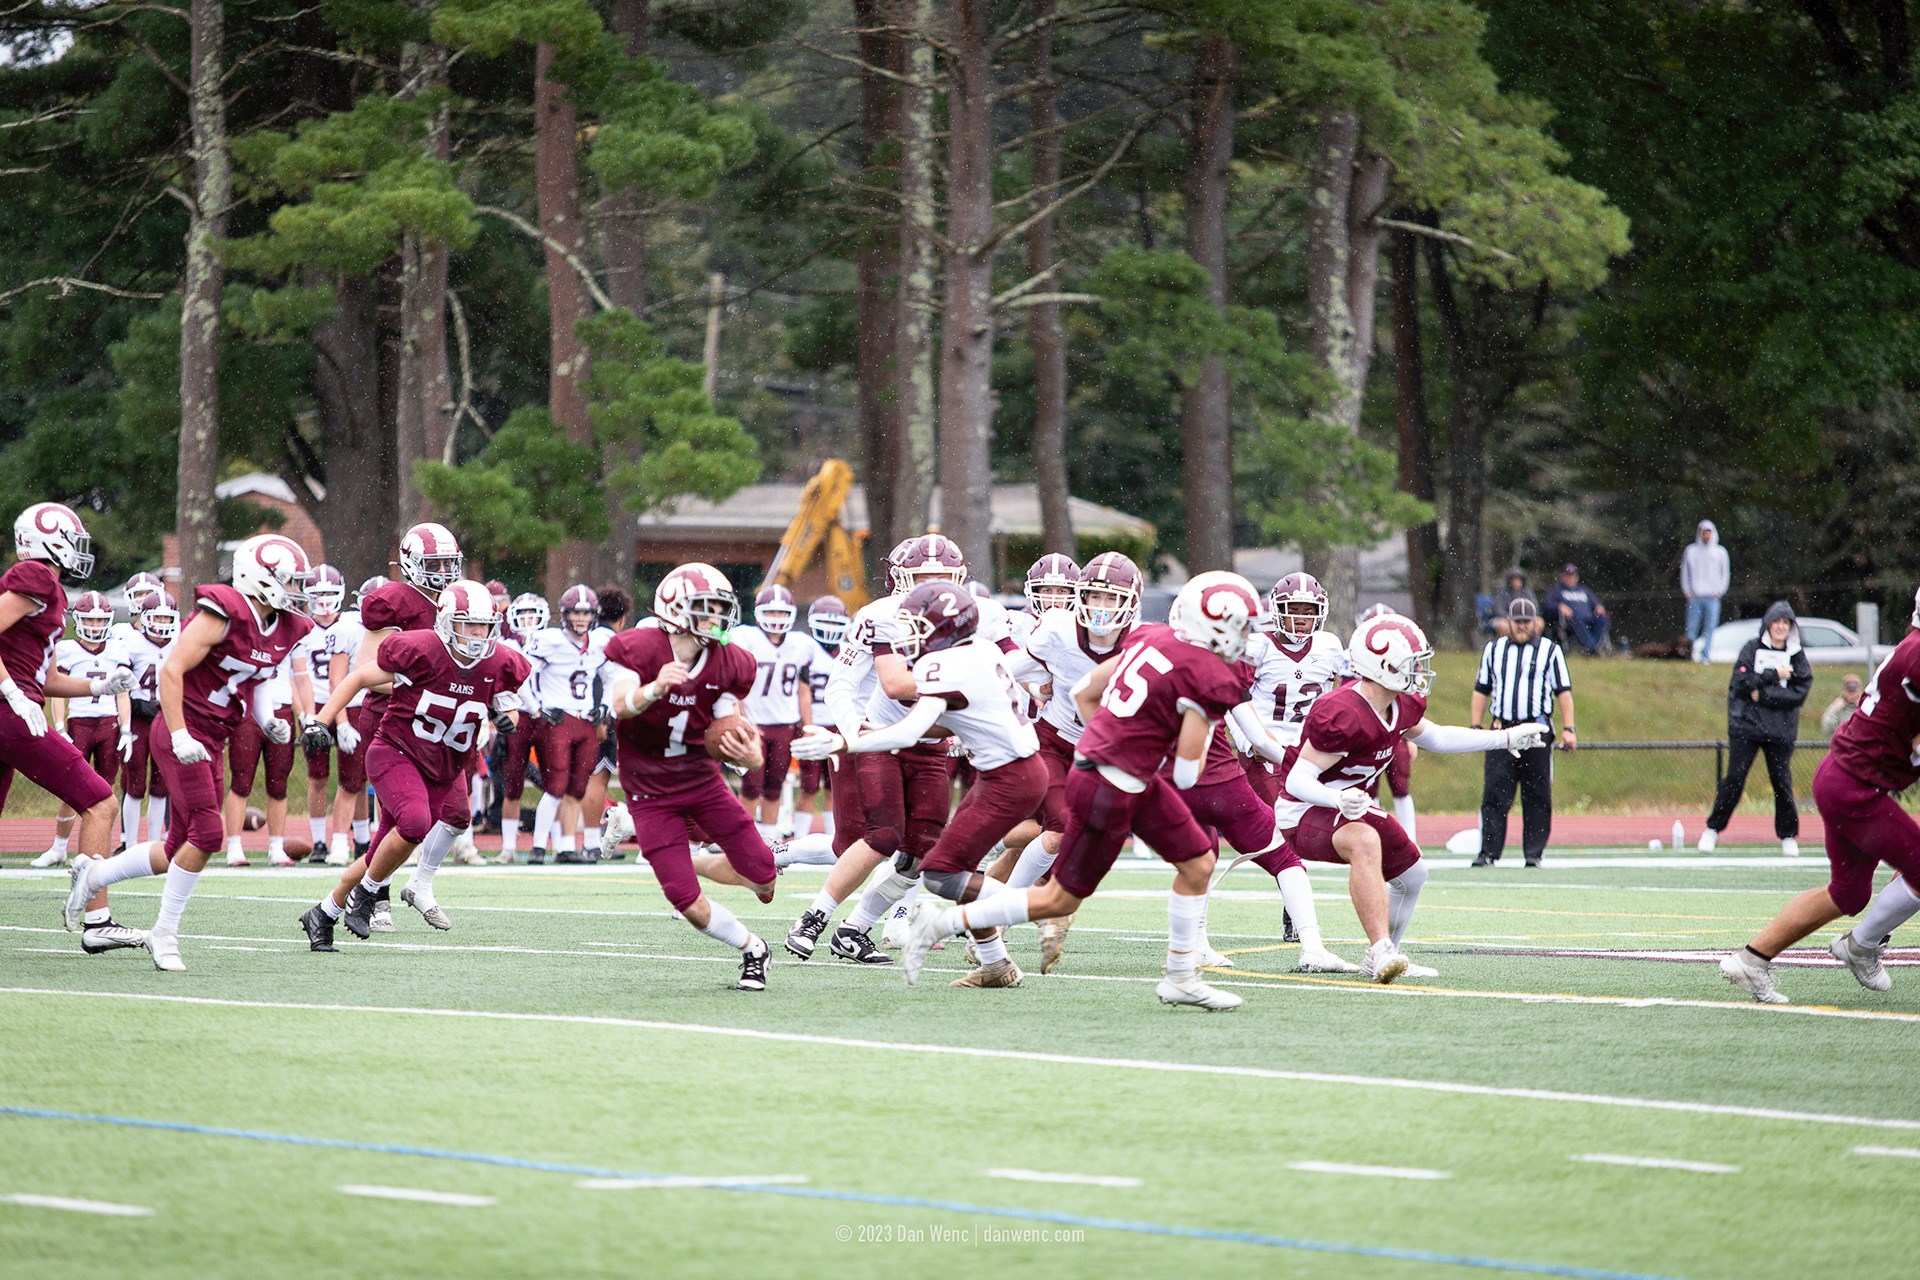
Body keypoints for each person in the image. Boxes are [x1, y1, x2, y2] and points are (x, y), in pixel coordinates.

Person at [902, 571, 1266, 1010]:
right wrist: (1181, 735)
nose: (1246, 637)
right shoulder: (1209, 675)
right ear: (1214, 625)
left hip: (1116, 774)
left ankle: (1181, 978)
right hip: (1112, 787)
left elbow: (1083, 690)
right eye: (1240, 626)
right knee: (1058, 899)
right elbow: (1188, 775)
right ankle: (940, 924)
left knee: (1198, 862)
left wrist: (1114, 743)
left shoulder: (1151, 637)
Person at [65, 535, 316, 971]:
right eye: (289, 580)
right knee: (209, 834)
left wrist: (265, 719)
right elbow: (172, 670)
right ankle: (164, 933)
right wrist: (180, 733)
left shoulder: (285, 626)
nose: (297, 590)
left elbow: (256, 677)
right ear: (260, 578)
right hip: (180, 728)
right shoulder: (225, 611)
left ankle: (94, 875)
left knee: (178, 846)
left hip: (213, 736)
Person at [796, 580, 1047, 989]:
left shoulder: (945, 666)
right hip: (1013, 771)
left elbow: (909, 730)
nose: (909, 636)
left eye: (919, 626)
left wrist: (844, 742)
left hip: (1008, 779)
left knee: (941, 874)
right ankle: (995, 962)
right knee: (947, 867)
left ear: (948, 629)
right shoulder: (983, 650)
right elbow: (943, 721)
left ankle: (1044, 907)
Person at [1273, 612, 1549, 981]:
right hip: (1303, 811)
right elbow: (1296, 781)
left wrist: (1505, 738)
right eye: (1411, 662)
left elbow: (1438, 737)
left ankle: (1386, 954)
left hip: (1348, 807)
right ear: (1383, 666)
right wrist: (1336, 799)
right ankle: (1380, 950)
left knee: (1413, 874)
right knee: (1365, 840)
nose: (1419, 670)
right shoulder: (1343, 712)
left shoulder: (1400, 704)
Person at [782, 535, 978, 966]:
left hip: (930, 747)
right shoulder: (881, 616)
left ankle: (854, 929)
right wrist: (856, 735)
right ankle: (813, 918)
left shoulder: (976, 619)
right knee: (880, 836)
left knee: (923, 848)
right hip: (883, 739)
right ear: (902, 579)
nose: (934, 587)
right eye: (923, 577)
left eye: (942, 577)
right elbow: (851, 685)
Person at [300, 581, 528, 948]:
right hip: (397, 751)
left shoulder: (500, 661)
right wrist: (320, 721)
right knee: (415, 823)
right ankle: (367, 895)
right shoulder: (421, 649)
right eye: (469, 624)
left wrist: (506, 721)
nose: (476, 634)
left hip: (443, 765)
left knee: (382, 851)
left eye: (483, 626)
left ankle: (324, 913)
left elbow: (510, 709)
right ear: (447, 622)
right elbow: (358, 677)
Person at [1719, 589, 1920, 1004]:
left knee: (1849, 893)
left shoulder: (1912, 649)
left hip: (1844, 777)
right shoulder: (1916, 656)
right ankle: (1861, 945)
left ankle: (1751, 959)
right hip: (1857, 787)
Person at [598, 562, 776, 991]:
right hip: (649, 792)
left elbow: (729, 725)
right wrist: (656, 688)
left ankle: (693, 861)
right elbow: (621, 705)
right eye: (707, 607)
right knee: (686, 901)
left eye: (721, 607)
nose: (718, 617)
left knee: (764, 876)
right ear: (675, 609)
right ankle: (753, 949)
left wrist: (751, 756)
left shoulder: (729, 661)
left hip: (702, 783)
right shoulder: (637, 648)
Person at [985, 550, 1137, 972]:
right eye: (1094, 596)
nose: (1101, 607)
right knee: (1058, 831)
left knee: (1080, 838)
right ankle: (999, 923)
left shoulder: (1143, 642)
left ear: (1131, 602)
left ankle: (1008, 896)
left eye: (1111, 598)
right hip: (1053, 742)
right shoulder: (1058, 628)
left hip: (1100, 754)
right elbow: (1007, 670)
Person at [1698, 600, 1811, 856]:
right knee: (1734, 779)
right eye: (1776, 622)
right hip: (1746, 727)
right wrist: (1773, 674)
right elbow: (1740, 683)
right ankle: (1712, 829)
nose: (1780, 627)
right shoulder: (1751, 648)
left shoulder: (1797, 656)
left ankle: (1788, 835)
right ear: (1768, 624)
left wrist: (1764, 695)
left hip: (1780, 731)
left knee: (1781, 782)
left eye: (1786, 623)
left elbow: (1798, 694)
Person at [1469, 598, 1575, 867]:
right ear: (1509, 622)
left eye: (1527, 622)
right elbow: (1482, 689)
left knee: (1537, 794)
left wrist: (1569, 729)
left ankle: (1534, 854)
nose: (1522, 627)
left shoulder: (1550, 650)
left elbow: (1563, 691)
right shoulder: (1494, 649)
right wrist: (1475, 726)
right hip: (1502, 729)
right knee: (1494, 792)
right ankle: (1488, 852)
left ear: (1536, 623)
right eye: (1517, 622)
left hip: (1536, 730)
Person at [40, 591, 128, 867]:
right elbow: (58, 692)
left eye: (100, 620)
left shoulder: (116, 649)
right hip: (79, 724)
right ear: (78, 621)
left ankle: (100, 850)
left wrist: (126, 728)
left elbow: (122, 692)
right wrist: (60, 725)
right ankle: (59, 847)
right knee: (71, 788)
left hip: (109, 724)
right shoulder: (67, 649)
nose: (95, 625)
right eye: (89, 620)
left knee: (106, 790)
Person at [731, 584, 823, 843]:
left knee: (774, 785)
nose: (776, 618)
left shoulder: (801, 644)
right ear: (758, 612)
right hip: (754, 723)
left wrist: (808, 726)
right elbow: (735, 686)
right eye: (771, 612)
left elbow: (803, 690)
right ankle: (743, 839)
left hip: (785, 724)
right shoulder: (746, 638)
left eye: (782, 613)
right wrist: (743, 718)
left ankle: (769, 839)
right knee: (751, 785)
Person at [525, 584, 609, 862]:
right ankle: (538, 847)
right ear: (565, 614)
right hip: (558, 720)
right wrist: (537, 708)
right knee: (556, 786)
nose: (581, 619)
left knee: (577, 789)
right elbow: (523, 674)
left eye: (586, 613)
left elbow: (613, 676)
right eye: (576, 613)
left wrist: (605, 705)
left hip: (586, 723)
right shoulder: (550, 641)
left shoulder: (599, 642)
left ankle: (565, 847)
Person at [118, 591, 177, 854]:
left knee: (161, 784)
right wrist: (135, 706)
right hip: (139, 718)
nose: (162, 623)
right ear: (145, 617)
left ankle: (154, 845)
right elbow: (121, 686)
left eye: (167, 618)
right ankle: (130, 844)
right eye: (158, 617)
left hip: (167, 717)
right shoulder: (131, 643)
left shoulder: (179, 644)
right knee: (135, 782)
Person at [493, 593, 548, 862]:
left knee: (555, 782)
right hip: (518, 717)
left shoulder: (553, 643)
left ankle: (551, 843)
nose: (527, 620)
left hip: (547, 717)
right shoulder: (506, 646)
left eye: (532, 615)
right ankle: (508, 847)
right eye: (522, 615)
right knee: (512, 783)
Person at [1682, 520, 1730, 662]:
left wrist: (1719, 591)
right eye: (1704, 533)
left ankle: (1705, 655)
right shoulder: (1691, 551)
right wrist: (1687, 591)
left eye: (1709, 533)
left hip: (1712, 597)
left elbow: (1724, 574)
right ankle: (1689, 654)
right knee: (1691, 627)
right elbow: (1685, 573)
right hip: (1695, 596)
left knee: (1710, 627)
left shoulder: (1720, 552)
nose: (1706, 536)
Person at [1544, 563, 1611, 656]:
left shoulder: (1584, 589)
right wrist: (1559, 606)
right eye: (1567, 575)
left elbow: (1596, 603)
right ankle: (1591, 648)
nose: (1570, 578)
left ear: (1577, 577)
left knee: (1602, 619)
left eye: (1572, 575)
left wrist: (1598, 607)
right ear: (1563, 576)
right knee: (1576, 619)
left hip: (1589, 618)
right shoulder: (1556, 590)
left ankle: (1596, 647)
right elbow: (1547, 604)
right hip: (1571, 620)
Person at [1485, 568, 1537, 638]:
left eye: (1518, 579)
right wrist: (1511, 618)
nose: (1516, 581)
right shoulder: (1501, 592)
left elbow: (1534, 607)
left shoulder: (1528, 592)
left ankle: (1532, 642)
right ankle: (1505, 643)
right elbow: (1497, 609)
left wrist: (1524, 618)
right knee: (1503, 626)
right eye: (1513, 579)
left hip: (1526, 619)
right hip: (1505, 618)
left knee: (1539, 623)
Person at [1822, 673, 1863, 737]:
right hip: (1842, 741)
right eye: (1848, 691)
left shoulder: (1865, 706)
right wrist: (1834, 710)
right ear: (1843, 691)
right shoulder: (1836, 706)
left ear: (1859, 691)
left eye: (1854, 691)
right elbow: (1827, 729)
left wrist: (1861, 708)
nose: (1851, 694)